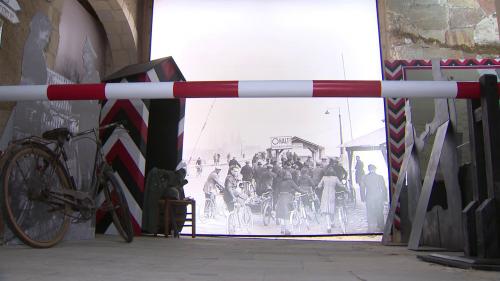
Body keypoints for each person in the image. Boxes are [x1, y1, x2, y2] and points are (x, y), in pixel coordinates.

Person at [317, 167, 346, 233]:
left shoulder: (324, 177)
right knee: (331, 209)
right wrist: (345, 188)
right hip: (332, 194)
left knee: (326, 210)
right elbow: (341, 185)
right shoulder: (335, 178)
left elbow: (319, 186)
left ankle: (328, 226)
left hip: (324, 195)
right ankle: (332, 222)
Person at [276, 171, 305, 235]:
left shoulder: (280, 182)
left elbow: (277, 191)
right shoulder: (291, 181)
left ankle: (282, 230)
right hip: (288, 198)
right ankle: (287, 230)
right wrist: (304, 192)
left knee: (281, 214)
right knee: (287, 214)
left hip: (280, 198)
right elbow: (297, 189)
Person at [361, 164, 388, 232]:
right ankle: (381, 226)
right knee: (380, 211)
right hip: (379, 196)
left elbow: (362, 188)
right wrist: (385, 198)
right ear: (375, 169)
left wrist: (363, 198)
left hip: (369, 197)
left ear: (369, 169)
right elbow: (384, 188)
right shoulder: (380, 177)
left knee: (370, 211)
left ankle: (371, 227)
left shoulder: (365, 177)